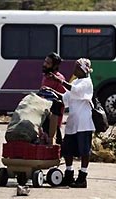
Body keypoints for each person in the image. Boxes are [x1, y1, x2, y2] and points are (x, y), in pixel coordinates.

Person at [49, 58, 95, 188]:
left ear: (83, 69)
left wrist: (60, 81)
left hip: (84, 123)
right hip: (73, 122)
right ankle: (69, 174)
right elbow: (65, 97)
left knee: (84, 151)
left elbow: (75, 90)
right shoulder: (76, 81)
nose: (74, 70)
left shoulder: (86, 83)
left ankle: (82, 178)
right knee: (67, 150)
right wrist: (51, 91)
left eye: (76, 68)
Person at [41, 52, 66, 145]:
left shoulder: (59, 78)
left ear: (55, 66)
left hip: (54, 117)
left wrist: (51, 91)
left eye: (48, 63)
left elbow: (63, 98)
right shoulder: (46, 76)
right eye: (45, 62)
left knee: (54, 140)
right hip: (44, 114)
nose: (45, 65)